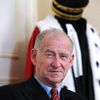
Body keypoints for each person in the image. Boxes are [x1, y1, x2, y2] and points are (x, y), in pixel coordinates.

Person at [24, 0, 100, 100]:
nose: (56, 63)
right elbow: (31, 72)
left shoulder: (92, 32)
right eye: (50, 55)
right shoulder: (42, 29)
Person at [0, 28, 88, 100]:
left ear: (70, 61)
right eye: (49, 55)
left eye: (63, 56)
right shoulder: (6, 95)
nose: (56, 64)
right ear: (34, 57)